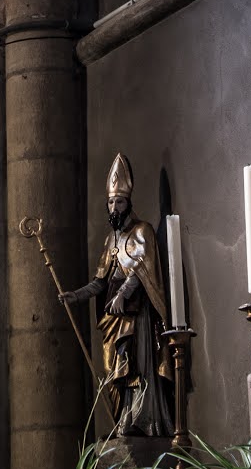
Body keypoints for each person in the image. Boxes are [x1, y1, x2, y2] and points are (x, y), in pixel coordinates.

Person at [59, 153, 174, 440]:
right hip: (114, 316)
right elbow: (100, 282)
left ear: (129, 203)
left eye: (119, 202)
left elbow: (143, 270)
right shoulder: (110, 240)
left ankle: (142, 418)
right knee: (115, 370)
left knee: (136, 365)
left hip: (136, 316)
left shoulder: (142, 231)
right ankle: (124, 417)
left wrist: (123, 293)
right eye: (111, 202)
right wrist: (76, 296)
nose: (114, 207)